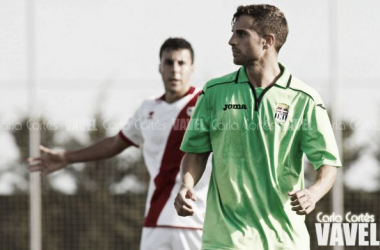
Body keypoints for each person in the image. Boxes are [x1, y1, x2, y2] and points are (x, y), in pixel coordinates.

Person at [174, 4, 341, 250]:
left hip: (285, 240)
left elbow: (327, 163)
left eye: (241, 34)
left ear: (267, 41)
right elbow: (196, 153)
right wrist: (186, 185)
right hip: (226, 239)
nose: (231, 40)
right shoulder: (213, 92)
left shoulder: (304, 98)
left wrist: (313, 193)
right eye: (233, 32)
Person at [28, 38, 211, 250]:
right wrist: (67, 157)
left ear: (192, 68)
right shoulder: (148, 108)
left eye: (182, 63)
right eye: (169, 62)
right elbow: (117, 142)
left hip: (195, 221)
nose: (175, 70)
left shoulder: (205, 103)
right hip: (155, 221)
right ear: (160, 67)